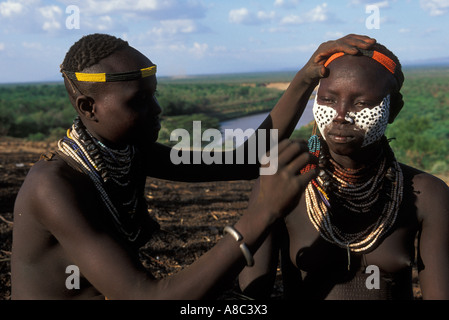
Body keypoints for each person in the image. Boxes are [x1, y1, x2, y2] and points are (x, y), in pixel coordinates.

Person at [11, 33, 376, 299]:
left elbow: (247, 159)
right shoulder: (54, 186)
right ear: (88, 107)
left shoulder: (129, 152)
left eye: (153, 94)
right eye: (138, 101)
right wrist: (262, 212)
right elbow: (145, 298)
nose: (156, 110)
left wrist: (305, 78)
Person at [238, 37, 449, 300]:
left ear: (393, 110)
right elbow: (251, 299)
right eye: (328, 99)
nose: (340, 115)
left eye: (360, 104)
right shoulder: (282, 183)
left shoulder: (427, 194)